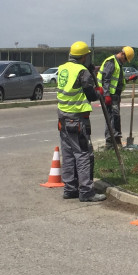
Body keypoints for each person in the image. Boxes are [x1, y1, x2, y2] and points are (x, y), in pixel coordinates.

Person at [57, 40, 105, 202]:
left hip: (63, 118)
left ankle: (70, 189)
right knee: (83, 154)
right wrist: (99, 92)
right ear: (84, 57)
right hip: (77, 118)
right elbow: (91, 94)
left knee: (68, 154)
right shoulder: (82, 71)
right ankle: (86, 191)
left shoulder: (62, 68)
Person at [97, 46, 136, 147]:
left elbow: (117, 80)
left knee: (115, 117)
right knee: (112, 117)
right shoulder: (111, 62)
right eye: (125, 59)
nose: (125, 61)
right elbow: (106, 79)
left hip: (115, 95)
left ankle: (116, 138)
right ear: (122, 54)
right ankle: (110, 142)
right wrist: (106, 95)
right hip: (110, 95)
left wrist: (128, 79)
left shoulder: (118, 64)